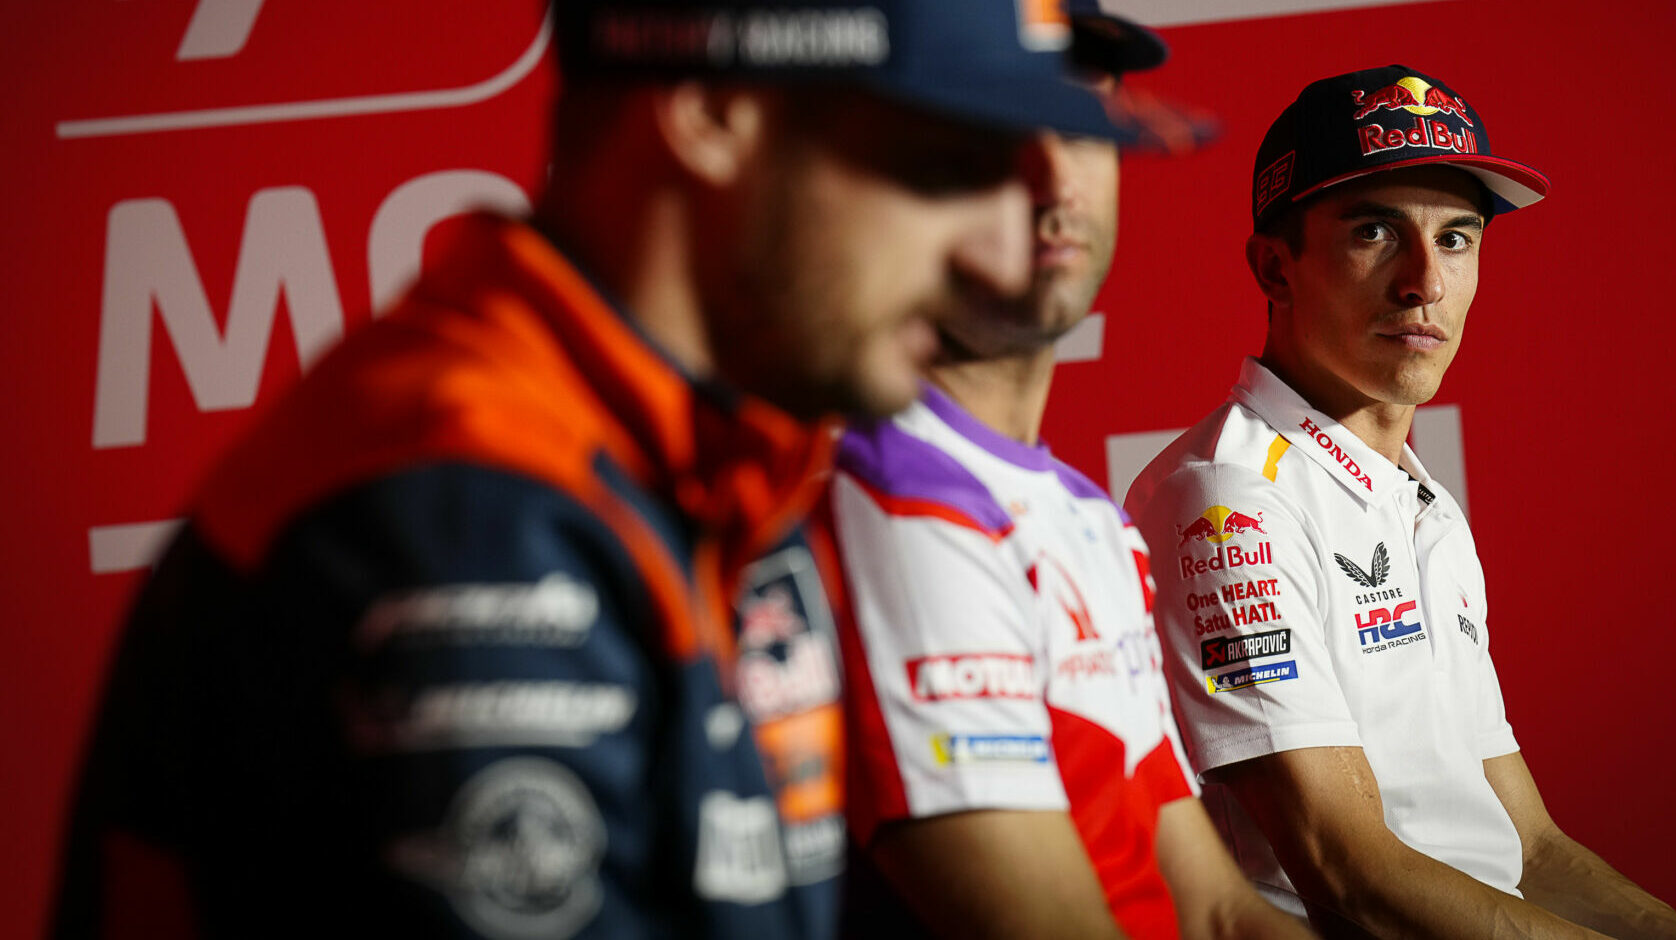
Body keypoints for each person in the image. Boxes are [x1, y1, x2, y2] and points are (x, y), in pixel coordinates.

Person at [50, 2, 1152, 937]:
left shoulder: (727, 462)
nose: (1003, 254)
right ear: (717, 112)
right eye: (942, 166)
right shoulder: (472, 516)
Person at [1124, 64, 1676, 940]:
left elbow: (1529, 847)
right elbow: (1349, 872)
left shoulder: (1419, 500)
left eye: (1458, 239)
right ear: (1275, 268)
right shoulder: (1227, 494)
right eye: (1374, 232)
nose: (1425, 282)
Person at [822, 5, 1314, 937]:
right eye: (1000, 129)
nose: (1054, 178)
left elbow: (1214, 909)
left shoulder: (1085, 514)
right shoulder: (889, 494)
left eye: (1082, 125)